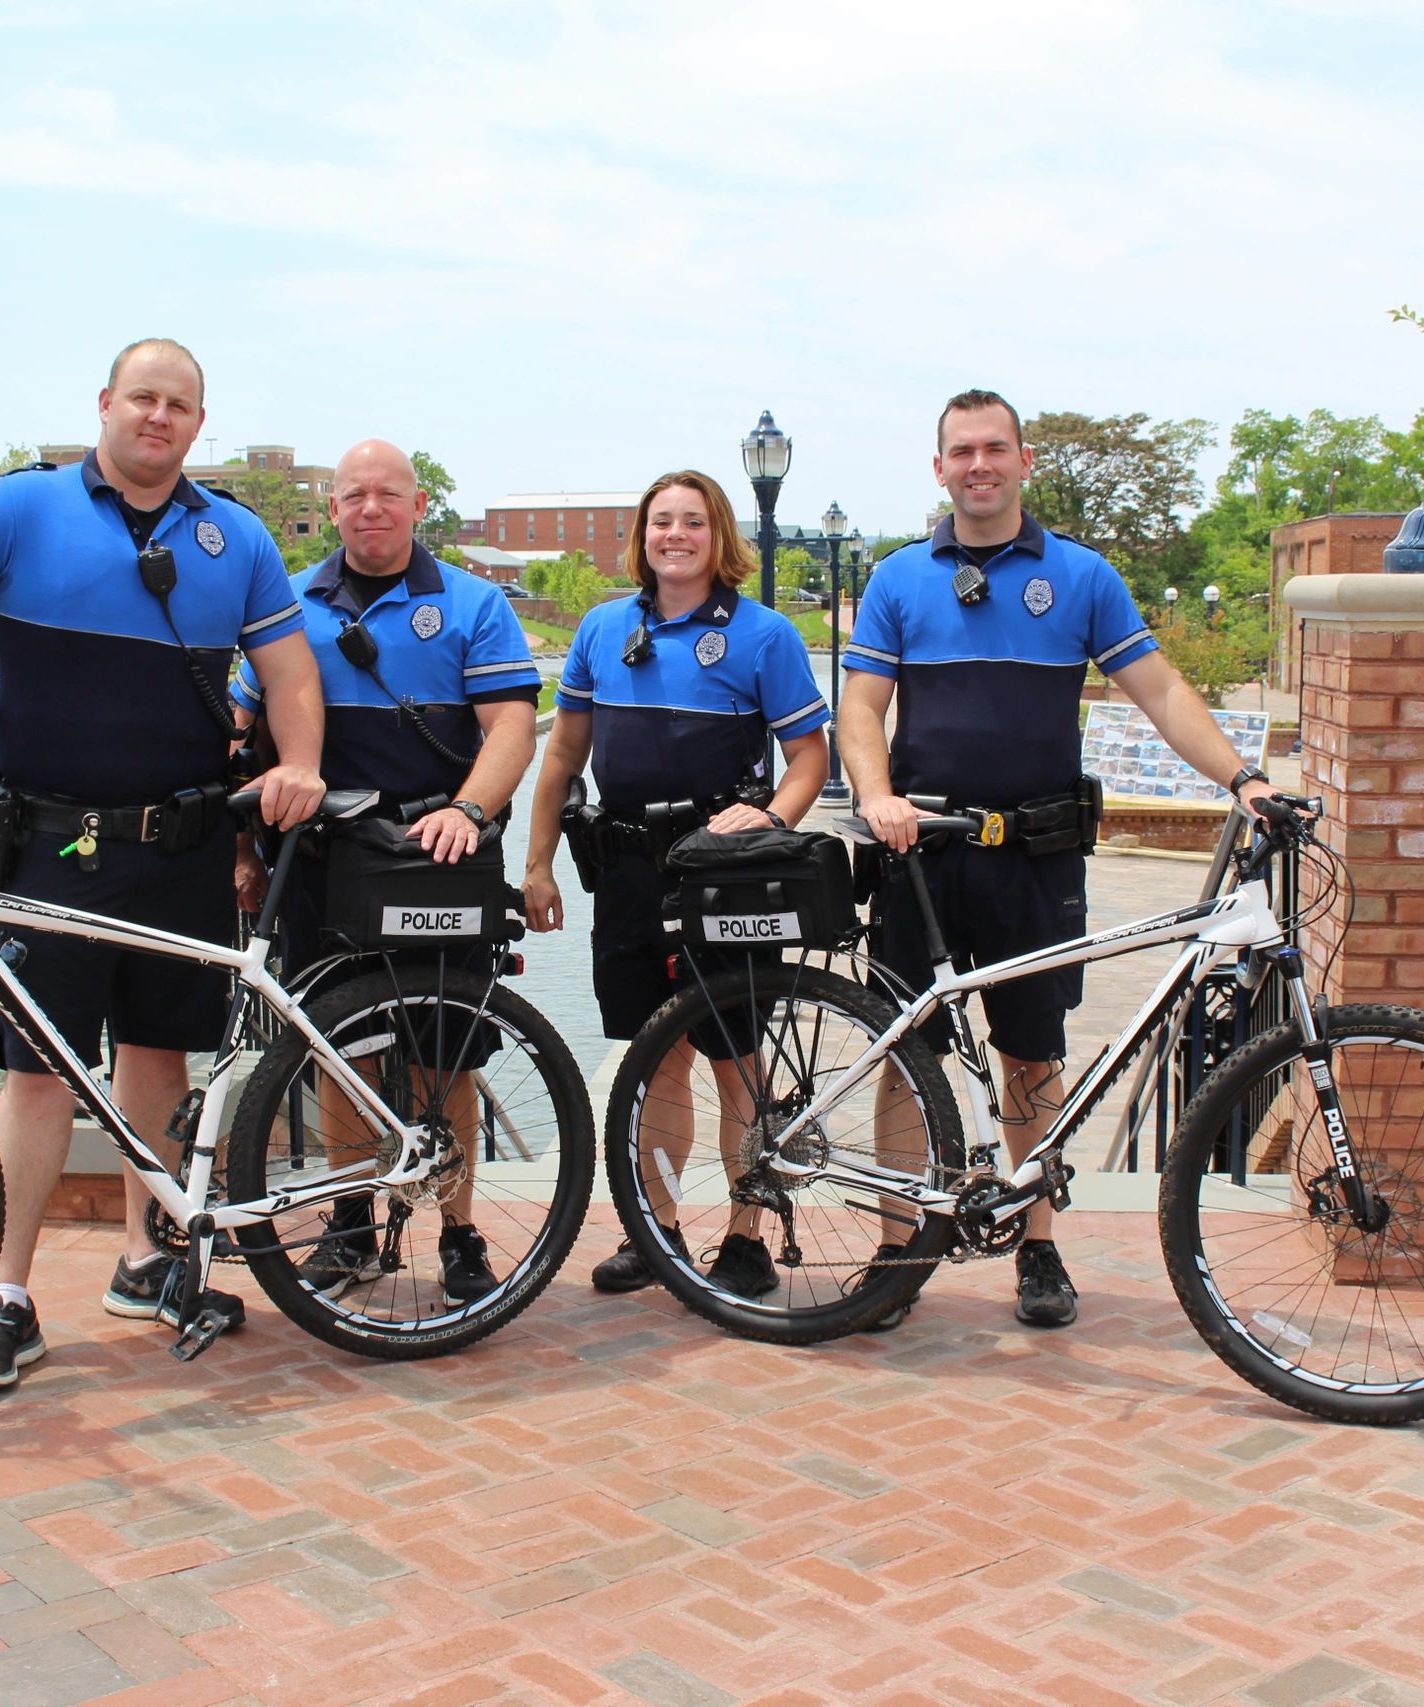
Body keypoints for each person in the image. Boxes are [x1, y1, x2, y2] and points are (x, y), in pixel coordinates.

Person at [0, 338, 326, 1393]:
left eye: (179, 404)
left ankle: (147, 1261)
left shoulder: (234, 537)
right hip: (52, 844)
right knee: (36, 1073)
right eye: (143, 397)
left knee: (158, 1053)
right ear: (105, 403)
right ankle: (4, 1293)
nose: (159, 416)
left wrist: (301, 764)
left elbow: (287, 671)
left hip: (182, 844)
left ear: (198, 424)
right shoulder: (20, 508)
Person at [842, 389, 1279, 1330]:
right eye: (963, 451)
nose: (980, 465)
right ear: (939, 468)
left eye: (995, 448)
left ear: (1024, 460)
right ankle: (894, 1250)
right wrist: (875, 794)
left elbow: (1160, 691)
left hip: (1034, 858)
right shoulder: (898, 578)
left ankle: (1037, 1242)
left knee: (1031, 1054)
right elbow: (861, 706)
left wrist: (1242, 779)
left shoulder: (1081, 577)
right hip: (922, 853)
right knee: (906, 1053)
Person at [227, 439, 541, 1306]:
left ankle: (459, 1231)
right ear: (332, 507)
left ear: (418, 505)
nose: (372, 508)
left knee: (448, 1057)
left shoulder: (475, 603)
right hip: (323, 864)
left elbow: (513, 726)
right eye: (354, 494)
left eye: (389, 494)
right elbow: (238, 733)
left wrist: (468, 811)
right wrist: (242, 851)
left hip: (440, 858)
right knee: (341, 1052)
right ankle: (351, 1222)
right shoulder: (283, 604)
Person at [520, 470, 829, 1295]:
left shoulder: (764, 635)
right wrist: (538, 862)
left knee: (737, 1060)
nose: (676, 535)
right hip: (627, 874)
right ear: (642, 536)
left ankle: (746, 1236)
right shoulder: (602, 628)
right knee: (657, 1058)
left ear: (718, 534)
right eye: (662, 521)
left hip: (724, 878)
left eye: (693, 521)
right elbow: (562, 753)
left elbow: (809, 757)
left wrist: (772, 817)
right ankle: (656, 1235)